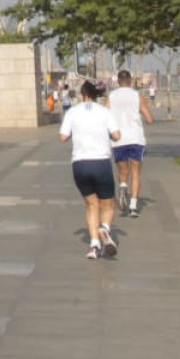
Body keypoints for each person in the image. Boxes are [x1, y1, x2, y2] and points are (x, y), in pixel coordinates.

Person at [58, 79, 121, 258]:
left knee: (91, 204)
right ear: (95, 95)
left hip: (80, 164)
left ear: (82, 95)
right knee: (108, 204)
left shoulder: (72, 112)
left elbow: (63, 137)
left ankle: (94, 246)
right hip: (101, 162)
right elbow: (117, 135)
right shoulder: (105, 112)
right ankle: (105, 228)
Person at [107, 69, 154, 218]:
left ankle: (122, 186)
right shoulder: (137, 96)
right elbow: (149, 119)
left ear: (118, 81)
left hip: (118, 139)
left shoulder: (111, 96)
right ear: (130, 80)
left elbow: (105, 116)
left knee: (123, 171)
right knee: (135, 172)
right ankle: (133, 206)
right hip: (136, 138)